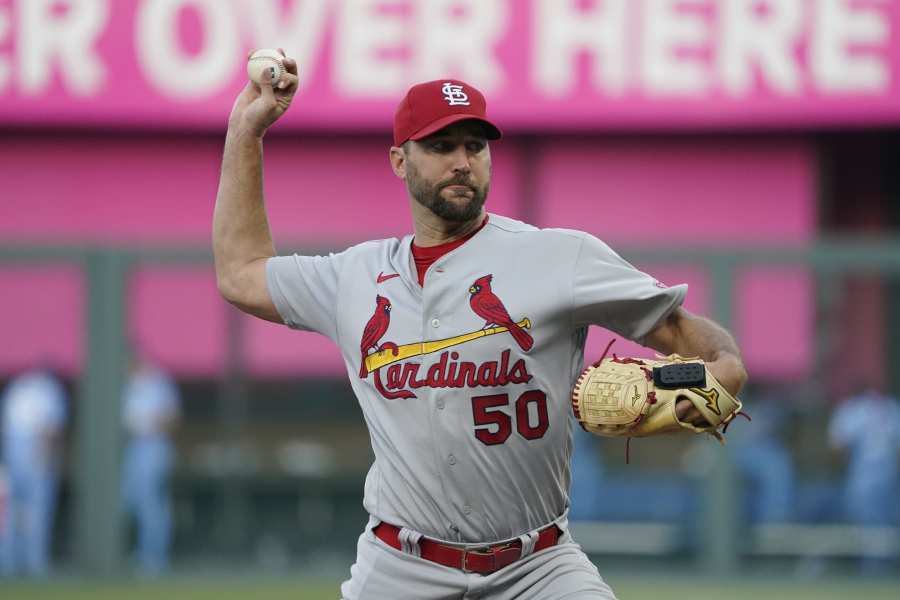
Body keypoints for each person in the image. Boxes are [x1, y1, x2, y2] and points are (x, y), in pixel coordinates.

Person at [213, 50, 748, 599]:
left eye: (475, 145)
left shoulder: (559, 257)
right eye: (441, 147)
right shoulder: (354, 277)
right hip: (401, 566)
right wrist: (245, 130)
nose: (462, 161)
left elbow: (684, 332)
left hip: (537, 567)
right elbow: (241, 273)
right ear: (400, 161)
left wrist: (721, 373)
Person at [0, 365, 68, 577]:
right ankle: (18, 564)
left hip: (30, 450)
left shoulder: (43, 389)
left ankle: (28, 564)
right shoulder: (23, 388)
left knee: (31, 513)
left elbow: (53, 427)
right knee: (18, 513)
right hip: (22, 450)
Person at [828, 383, 900, 575]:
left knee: (876, 520)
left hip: (874, 477)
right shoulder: (860, 408)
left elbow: (839, 450)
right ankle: (874, 566)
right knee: (870, 519)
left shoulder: (887, 407)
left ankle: (876, 566)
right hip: (871, 476)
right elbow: (839, 449)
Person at [121, 352, 181, 576]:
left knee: (152, 505)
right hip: (130, 448)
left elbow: (172, 417)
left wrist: (153, 423)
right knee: (131, 502)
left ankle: (154, 558)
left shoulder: (158, 382)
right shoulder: (126, 384)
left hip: (153, 446)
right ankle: (139, 553)